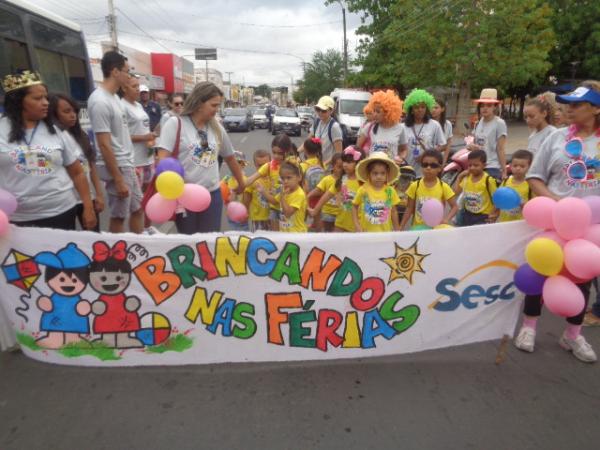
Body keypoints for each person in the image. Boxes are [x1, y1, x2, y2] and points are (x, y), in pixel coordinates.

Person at [521, 82, 600, 362]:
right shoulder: (555, 139)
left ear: (596, 109)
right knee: (539, 270)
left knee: (582, 278)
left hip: (590, 229)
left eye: (577, 105)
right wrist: (556, 202)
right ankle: (529, 327)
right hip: (552, 223)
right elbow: (535, 176)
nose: (569, 109)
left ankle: (573, 335)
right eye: (567, 104)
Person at [0, 71, 96, 230]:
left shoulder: (57, 131)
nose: (46, 103)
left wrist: (88, 207)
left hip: (60, 213)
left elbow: (77, 172)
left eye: (45, 97)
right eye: (38, 98)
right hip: (14, 218)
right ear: (18, 101)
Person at [158, 82, 245, 234]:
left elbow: (230, 157)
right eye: (213, 105)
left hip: (212, 195)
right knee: (189, 243)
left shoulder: (216, 127)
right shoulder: (175, 124)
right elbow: (163, 160)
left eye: (218, 105)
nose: (217, 110)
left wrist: (241, 183)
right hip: (184, 197)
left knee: (210, 244)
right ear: (199, 103)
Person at [88, 51, 143, 234]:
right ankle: (116, 258)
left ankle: (138, 246)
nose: (129, 76)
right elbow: (103, 144)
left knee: (137, 208)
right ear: (115, 72)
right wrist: (118, 179)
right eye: (127, 71)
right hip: (117, 167)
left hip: (127, 164)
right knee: (119, 216)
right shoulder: (100, 101)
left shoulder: (115, 99)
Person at [49, 93, 104, 231]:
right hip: (65, 202)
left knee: (93, 239)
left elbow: (92, 168)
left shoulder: (82, 136)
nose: (73, 115)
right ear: (53, 113)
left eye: (74, 111)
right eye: (67, 111)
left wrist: (98, 194)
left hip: (86, 199)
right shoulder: (52, 140)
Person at [245, 134, 297, 231]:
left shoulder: (294, 165)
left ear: (288, 150)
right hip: (274, 208)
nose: (276, 156)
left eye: (280, 153)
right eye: (274, 152)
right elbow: (250, 180)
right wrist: (239, 183)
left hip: (289, 207)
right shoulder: (269, 166)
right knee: (275, 238)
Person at [309, 146, 365, 232]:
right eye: (344, 161)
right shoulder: (342, 180)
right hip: (340, 223)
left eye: (349, 162)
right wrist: (315, 211)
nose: (345, 164)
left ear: (359, 163)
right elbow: (327, 195)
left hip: (358, 226)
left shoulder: (364, 182)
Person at [400, 150, 457, 230]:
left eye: (433, 165)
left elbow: (455, 207)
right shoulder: (415, 186)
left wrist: (446, 219)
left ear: (440, 168)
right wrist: (401, 226)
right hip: (418, 228)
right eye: (425, 165)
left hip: (435, 229)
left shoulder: (443, 187)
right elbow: (409, 208)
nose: (428, 168)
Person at [121, 76, 156, 196]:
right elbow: (121, 137)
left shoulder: (138, 105)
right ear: (124, 88)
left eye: (138, 86)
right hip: (135, 161)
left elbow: (144, 128)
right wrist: (144, 138)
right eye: (134, 86)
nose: (138, 90)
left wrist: (151, 139)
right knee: (136, 201)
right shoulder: (121, 107)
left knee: (148, 196)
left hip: (148, 157)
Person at [352, 151, 401, 232]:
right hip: (366, 234)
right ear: (369, 174)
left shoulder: (390, 191)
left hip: (385, 234)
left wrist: (397, 229)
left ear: (387, 174)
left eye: (382, 173)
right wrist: (357, 225)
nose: (379, 176)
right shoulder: (363, 190)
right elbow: (354, 207)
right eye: (375, 173)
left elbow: (394, 211)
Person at [403, 89, 446, 177]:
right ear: (411, 110)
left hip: (427, 171)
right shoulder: (403, 127)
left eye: (423, 107)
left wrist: (426, 155)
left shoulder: (434, 125)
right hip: (407, 170)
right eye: (416, 107)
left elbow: (443, 145)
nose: (420, 110)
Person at [357, 90, 408, 163]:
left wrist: (401, 158)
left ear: (388, 112)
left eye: (378, 111)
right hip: (373, 169)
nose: (374, 114)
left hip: (391, 170)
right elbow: (357, 148)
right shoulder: (369, 127)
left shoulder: (400, 128)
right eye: (374, 111)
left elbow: (404, 149)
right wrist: (365, 159)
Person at [469, 88, 507, 182]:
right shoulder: (478, 122)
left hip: (492, 167)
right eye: (482, 105)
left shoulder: (499, 123)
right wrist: (471, 146)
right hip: (477, 166)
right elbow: (473, 141)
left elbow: (500, 148)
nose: (485, 108)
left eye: (489, 105)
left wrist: (504, 170)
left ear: (495, 107)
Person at [258, 160, 307, 232]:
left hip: (297, 234)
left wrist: (282, 196)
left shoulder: (299, 194)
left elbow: (288, 213)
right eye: (283, 178)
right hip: (285, 233)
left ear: (299, 177)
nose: (285, 181)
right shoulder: (285, 191)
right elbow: (274, 201)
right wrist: (263, 192)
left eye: (289, 178)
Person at [453, 150, 498, 226]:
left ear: (484, 165)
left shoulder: (488, 180)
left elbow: (497, 200)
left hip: (483, 217)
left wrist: (493, 214)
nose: (472, 168)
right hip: (467, 215)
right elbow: (456, 192)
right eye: (470, 165)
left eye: (476, 165)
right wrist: (459, 177)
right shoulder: (466, 178)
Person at [307, 153, 343, 232]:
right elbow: (318, 190)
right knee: (327, 231)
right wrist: (307, 196)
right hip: (327, 212)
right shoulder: (327, 179)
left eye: (343, 167)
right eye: (339, 167)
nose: (341, 170)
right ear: (333, 166)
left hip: (340, 213)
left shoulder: (345, 181)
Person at [496, 149, 532, 222]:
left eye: (522, 166)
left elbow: (534, 206)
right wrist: (494, 212)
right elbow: (499, 198)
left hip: (521, 222)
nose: (518, 168)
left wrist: (521, 203)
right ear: (510, 166)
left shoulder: (531, 184)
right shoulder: (506, 181)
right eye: (515, 166)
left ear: (529, 167)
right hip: (504, 221)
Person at [243, 149, 271, 232]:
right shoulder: (252, 181)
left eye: (265, 165)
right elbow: (247, 198)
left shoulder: (274, 178)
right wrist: (245, 211)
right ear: (255, 165)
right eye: (259, 165)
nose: (263, 168)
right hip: (258, 218)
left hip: (273, 217)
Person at [311, 96, 343, 167]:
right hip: (317, 165)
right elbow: (308, 141)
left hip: (329, 168)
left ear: (331, 111)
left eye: (324, 111)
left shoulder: (334, 127)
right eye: (318, 109)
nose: (320, 113)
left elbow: (338, 153)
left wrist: (324, 164)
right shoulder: (317, 122)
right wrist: (296, 152)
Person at [221, 150, 249, 231]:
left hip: (241, 212)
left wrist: (246, 211)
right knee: (233, 232)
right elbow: (222, 190)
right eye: (234, 164)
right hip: (231, 211)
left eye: (239, 163)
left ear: (243, 165)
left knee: (243, 232)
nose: (235, 166)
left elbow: (248, 196)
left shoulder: (245, 179)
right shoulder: (226, 178)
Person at [431, 98, 453, 164]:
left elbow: (448, 144)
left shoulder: (447, 124)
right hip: (428, 158)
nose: (433, 110)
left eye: (436, 107)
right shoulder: (426, 124)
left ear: (442, 109)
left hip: (440, 158)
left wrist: (444, 161)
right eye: (431, 107)